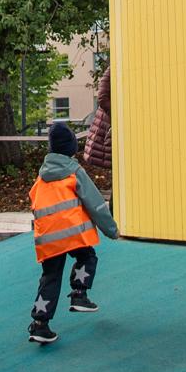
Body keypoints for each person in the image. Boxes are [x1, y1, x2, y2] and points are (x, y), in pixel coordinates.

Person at [26, 122, 117, 348]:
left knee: (50, 277)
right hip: (73, 233)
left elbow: (34, 202)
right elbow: (95, 203)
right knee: (87, 257)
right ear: (71, 149)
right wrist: (111, 230)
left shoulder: (41, 178)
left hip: (48, 238)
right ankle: (79, 293)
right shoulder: (74, 172)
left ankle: (40, 324)